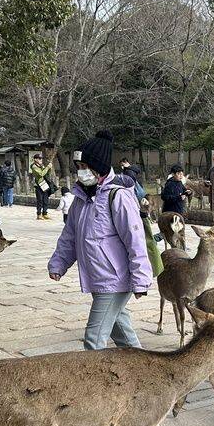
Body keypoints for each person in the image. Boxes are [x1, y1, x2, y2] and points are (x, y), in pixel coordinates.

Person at [48, 130, 152, 350]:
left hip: (114, 279)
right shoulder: (81, 199)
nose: (81, 172)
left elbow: (135, 240)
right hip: (98, 277)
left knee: (93, 341)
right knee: (125, 339)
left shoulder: (118, 196)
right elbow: (70, 236)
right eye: (79, 167)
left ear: (100, 167)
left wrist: (141, 280)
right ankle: (149, 378)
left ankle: (91, 384)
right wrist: (59, 263)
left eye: (85, 167)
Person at [31, 153, 54, 220]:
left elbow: (47, 173)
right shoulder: (34, 166)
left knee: (45, 199)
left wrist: (50, 168)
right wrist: (47, 167)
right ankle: (39, 214)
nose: (41, 160)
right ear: (35, 159)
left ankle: (45, 213)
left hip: (44, 184)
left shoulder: (42, 166)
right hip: (38, 185)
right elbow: (41, 174)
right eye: (39, 158)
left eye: (41, 158)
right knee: (40, 200)